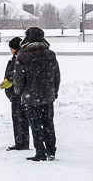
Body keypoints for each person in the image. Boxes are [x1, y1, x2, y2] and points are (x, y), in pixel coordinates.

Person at [11, 26, 61, 161]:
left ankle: (40, 152)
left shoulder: (22, 56)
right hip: (48, 96)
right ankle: (51, 151)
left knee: (35, 125)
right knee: (49, 124)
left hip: (30, 98)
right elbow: (56, 76)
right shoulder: (50, 55)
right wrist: (54, 91)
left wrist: (20, 92)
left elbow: (18, 79)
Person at [0, 36, 30, 150]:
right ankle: (23, 142)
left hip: (18, 94)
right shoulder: (21, 57)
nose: (10, 50)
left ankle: (21, 143)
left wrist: (9, 78)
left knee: (19, 119)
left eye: (11, 48)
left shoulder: (18, 58)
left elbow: (18, 74)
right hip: (20, 94)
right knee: (21, 119)